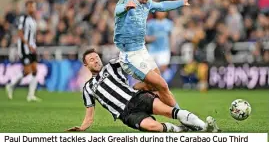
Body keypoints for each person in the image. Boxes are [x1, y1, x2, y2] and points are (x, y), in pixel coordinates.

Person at [66, 49, 220, 132]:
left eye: (97, 57)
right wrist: (82, 128)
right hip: (126, 114)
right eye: (91, 59)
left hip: (137, 98)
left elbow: (130, 59)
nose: (96, 60)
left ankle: (206, 127)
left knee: (169, 111)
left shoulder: (112, 66)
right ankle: (182, 129)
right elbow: (89, 115)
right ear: (86, 65)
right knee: (153, 127)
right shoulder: (87, 87)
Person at [113, 0, 190, 107]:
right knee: (160, 84)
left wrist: (181, 2)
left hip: (142, 50)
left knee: (157, 85)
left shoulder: (147, 4)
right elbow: (117, 10)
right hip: (129, 54)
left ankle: (129, 93)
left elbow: (162, 6)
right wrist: (126, 7)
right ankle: (181, 114)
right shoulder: (126, 0)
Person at [6, 0, 41, 102]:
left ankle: (31, 95)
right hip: (24, 48)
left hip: (32, 47)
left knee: (35, 70)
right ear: (27, 8)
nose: (32, 8)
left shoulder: (33, 20)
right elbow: (20, 33)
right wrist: (28, 45)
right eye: (31, 7)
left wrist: (34, 45)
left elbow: (33, 36)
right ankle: (11, 85)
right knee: (27, 70)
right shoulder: (23, 18)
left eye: (34, 7)